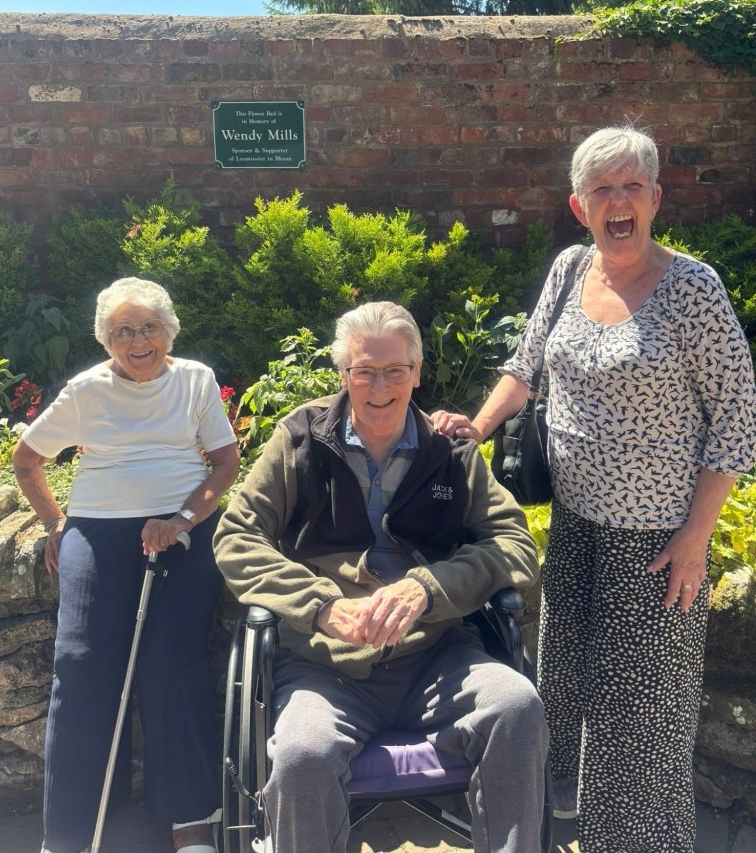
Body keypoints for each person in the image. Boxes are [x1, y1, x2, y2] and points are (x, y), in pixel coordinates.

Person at [432, 126, 756, 853]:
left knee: (639, 722)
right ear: (579, 206)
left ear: (655, 199)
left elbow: (738, 421)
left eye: (631, 186)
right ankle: (578, 830)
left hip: (657, 543)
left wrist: (696, 538)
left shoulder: (693, 290)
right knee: (566, 691)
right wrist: (475, 427)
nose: (617, 202)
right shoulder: (571, 268)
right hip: (577, 527)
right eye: (601, 189)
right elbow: (525, 366)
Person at [214, 300, 548, 853]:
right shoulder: (300, 439)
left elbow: (513, 542)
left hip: (436, 655)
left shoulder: (450, 452)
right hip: (324, 664)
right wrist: (321, 605)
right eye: (364, 370)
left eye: (395, 370)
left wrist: (427, 589)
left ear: (417, 373)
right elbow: (236, 537)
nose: (379, 386)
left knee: (516, 706)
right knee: (301, 754)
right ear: (343, 373)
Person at [12, 277, 240, 853]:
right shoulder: (86, 391)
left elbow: (225, 463)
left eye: (149, 328)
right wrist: (55, 523)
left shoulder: (195, 380)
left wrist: (182, 520)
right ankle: (71, 830)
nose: (139, 342)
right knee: (80, 663)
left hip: (182, 528)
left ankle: (190, 820)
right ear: (106, 340)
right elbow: (26, 459)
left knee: (172, 664)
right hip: (97, 526)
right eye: (123, 332)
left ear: (169, 332)